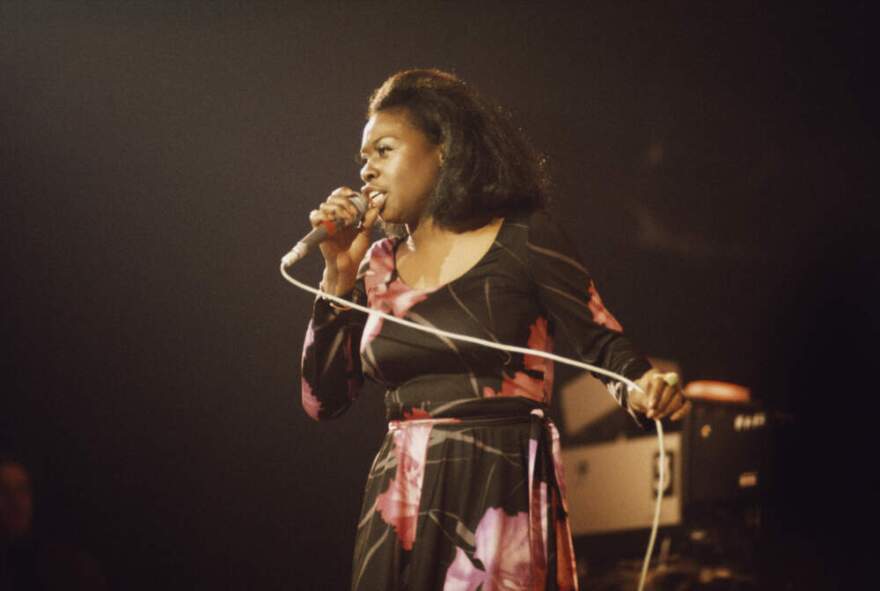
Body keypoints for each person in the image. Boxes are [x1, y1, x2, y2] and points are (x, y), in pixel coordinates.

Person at [299, 69, 690, 590]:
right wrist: (338, 278)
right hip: (402, 501)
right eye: (363, 159)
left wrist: (643, 390)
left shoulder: (524, 239)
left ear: (444, 149)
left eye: (384, 151)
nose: (366, 172)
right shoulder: (375, 263)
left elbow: (598, 340)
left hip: (498, 490)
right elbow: (323, 401)